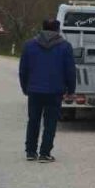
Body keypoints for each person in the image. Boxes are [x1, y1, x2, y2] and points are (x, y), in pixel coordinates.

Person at [18, 19, 76, 162]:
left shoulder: (29, 45)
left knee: (33, 121)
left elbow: (23, 70)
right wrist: (71, 89)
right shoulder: (65, 46)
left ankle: (31, 152)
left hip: (34, 90)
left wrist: (25, 87)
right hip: (55, 91)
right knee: (50, 123)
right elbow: (70, 70)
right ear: (58, 30)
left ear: (42, 28)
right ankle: (45, 153)